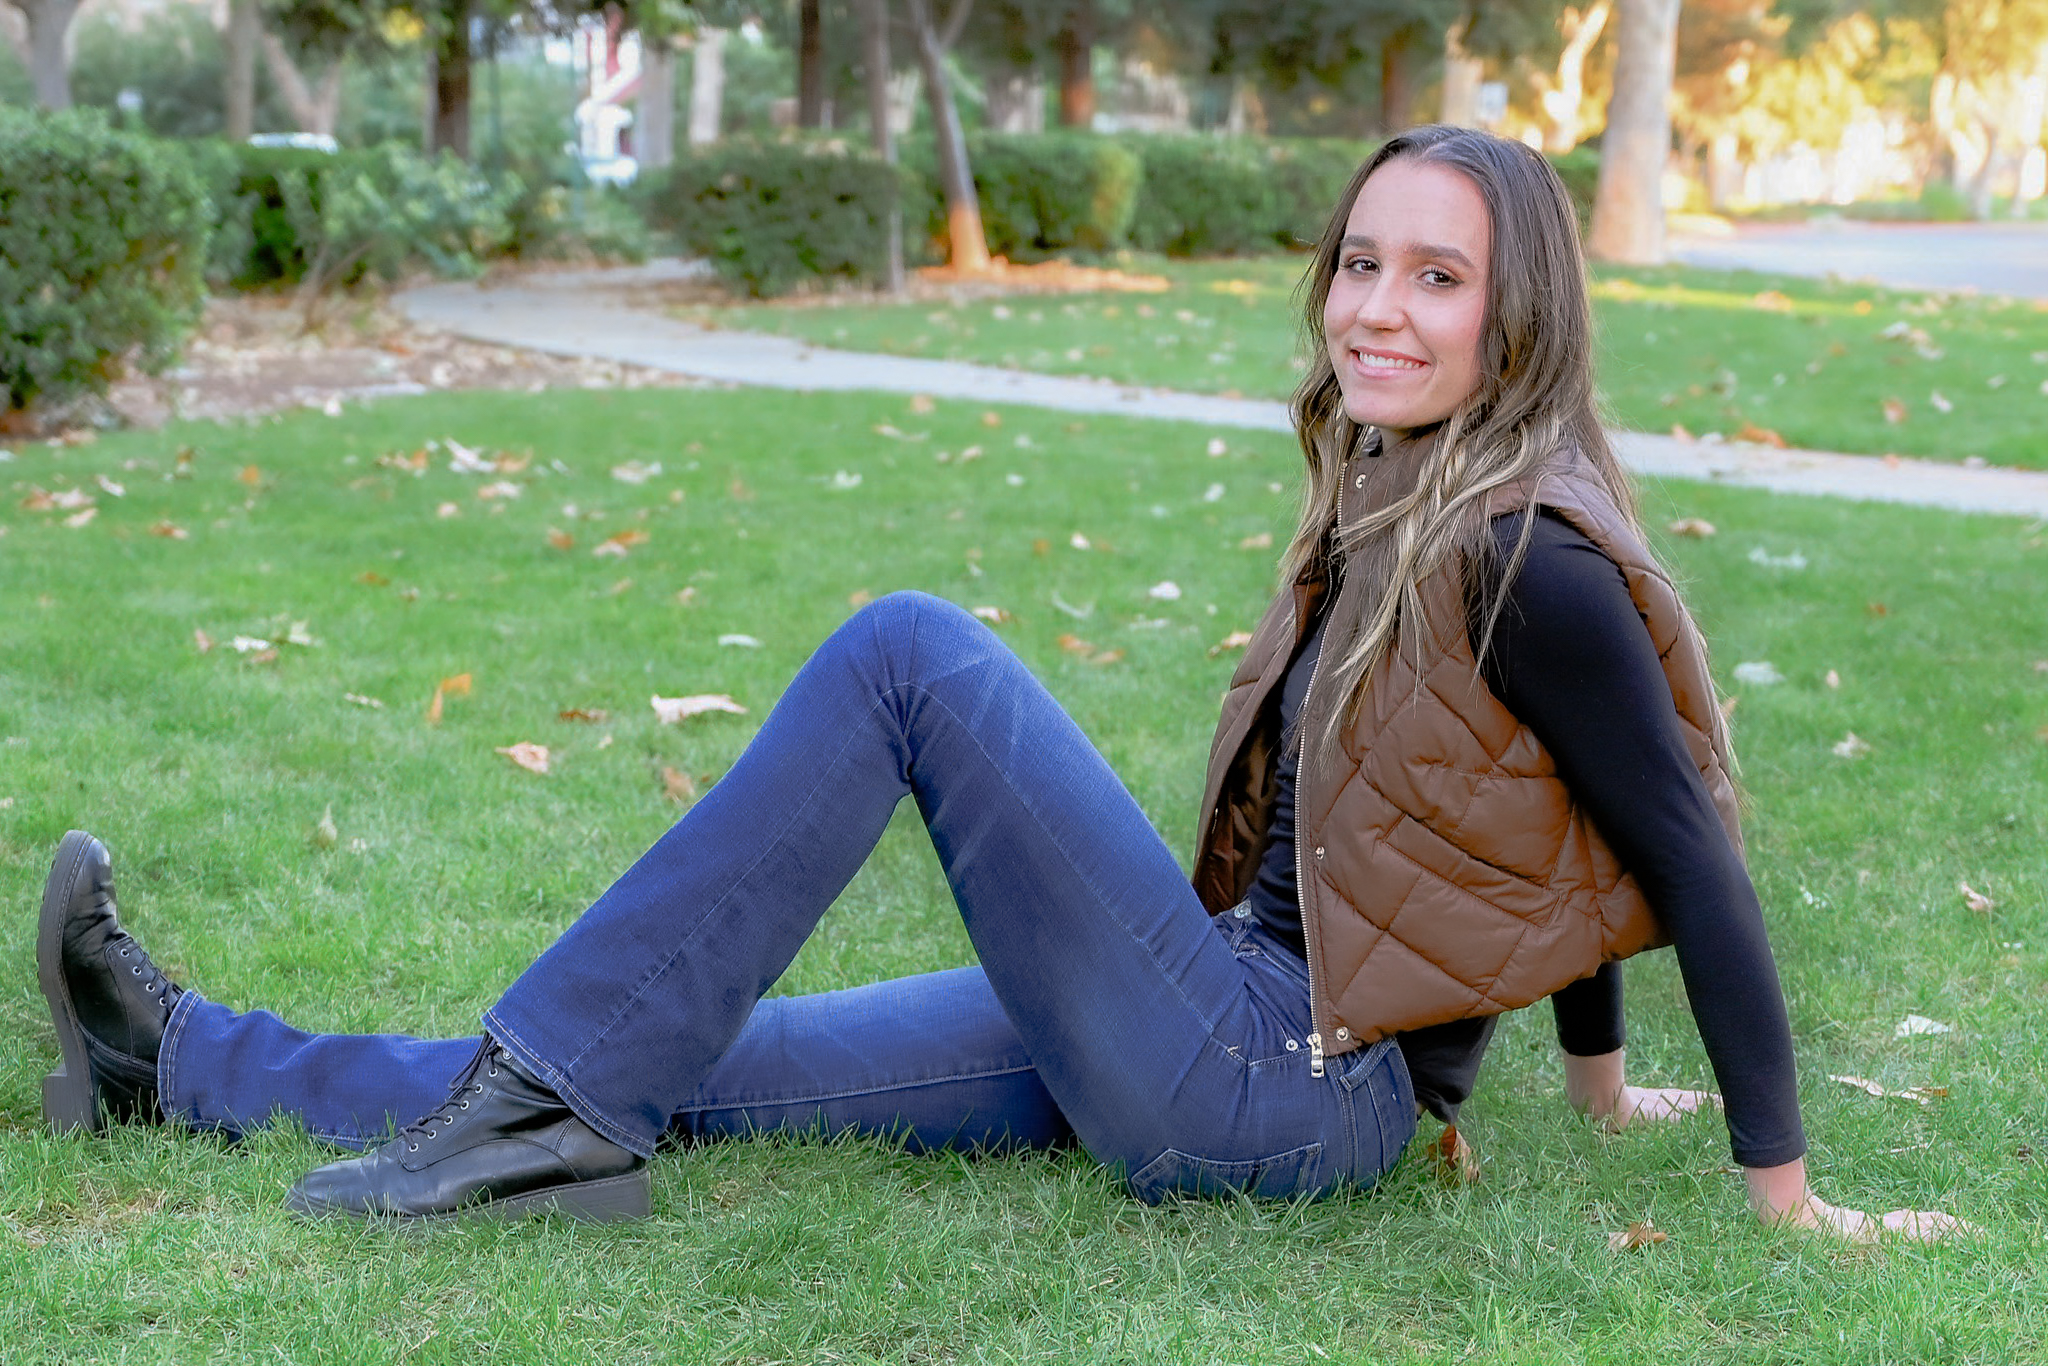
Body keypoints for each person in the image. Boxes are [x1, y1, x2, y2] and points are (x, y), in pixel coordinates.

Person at [36, 125, 1965, 1240]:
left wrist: (1775, 1187)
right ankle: (182, 1063)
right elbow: (1519, 829)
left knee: (908, 656)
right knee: (700, 1059)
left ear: (1519, 309)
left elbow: (1675, 853)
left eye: (1436, 280)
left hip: (1271, 1087)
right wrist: (1591, 1088)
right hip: (1208, 1018)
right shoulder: (1410, 494)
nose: (1378, 306)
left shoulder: (1524, 550)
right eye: (1361, 262)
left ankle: (536, 1114)